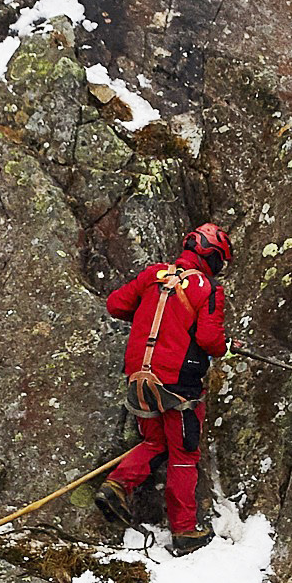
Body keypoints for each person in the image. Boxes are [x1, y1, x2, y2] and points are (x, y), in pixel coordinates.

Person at [96, 223, 231, 544]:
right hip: (178, 385)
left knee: (155, 444)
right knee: (184, 453)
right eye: (220, 262)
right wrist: (225, 346)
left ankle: (116, 485)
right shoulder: (206, 288)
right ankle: (184, 529)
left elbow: (116, 304)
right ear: (212, 258)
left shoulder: (153, 275)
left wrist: (153, 313)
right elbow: (210, 339)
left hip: (139, 378)